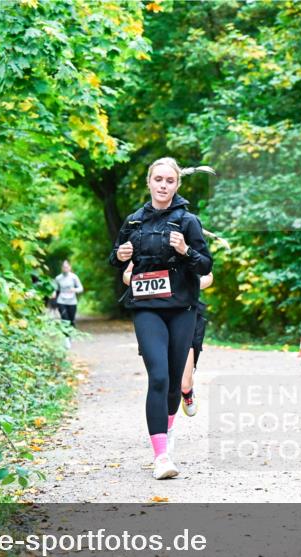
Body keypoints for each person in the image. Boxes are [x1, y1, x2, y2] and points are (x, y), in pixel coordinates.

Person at [109, 158, 213, 479]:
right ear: (149, 182)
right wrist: (120, 256)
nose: (163, 185)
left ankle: (166, 433)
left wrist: (185, 251)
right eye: (158, 179)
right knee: (157, 377)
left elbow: (205, 265)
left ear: (177, 184)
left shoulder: (188, 221)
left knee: (172, 382)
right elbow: (116, 258)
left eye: (170, 180)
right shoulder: (133, 221)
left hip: (182, 309)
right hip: (147, 308)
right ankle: (161, 457)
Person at [124, 265, 213, 417]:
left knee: (183, 383)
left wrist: (186, 284)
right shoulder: (144, 248)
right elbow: (127, 275)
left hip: (185, 313)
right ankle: (165, 426)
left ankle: (187, 393)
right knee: (161, 378)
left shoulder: (187, 249)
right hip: (154, 314)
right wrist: (144, 282)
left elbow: (208, 276)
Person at [51, 260, 84, 328]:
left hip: (72, 301)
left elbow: (81, 288)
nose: (65, 268)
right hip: (61, 301)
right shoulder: (58, 278)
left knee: (71, 320)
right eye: (63, 267)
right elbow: (55, 288)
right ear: (61, 268)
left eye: (66, 267)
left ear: (70, 267)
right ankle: (66, 334)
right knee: (65, 319)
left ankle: (72, 332)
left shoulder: (74, 277)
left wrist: (75, 289)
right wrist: (53, 293)